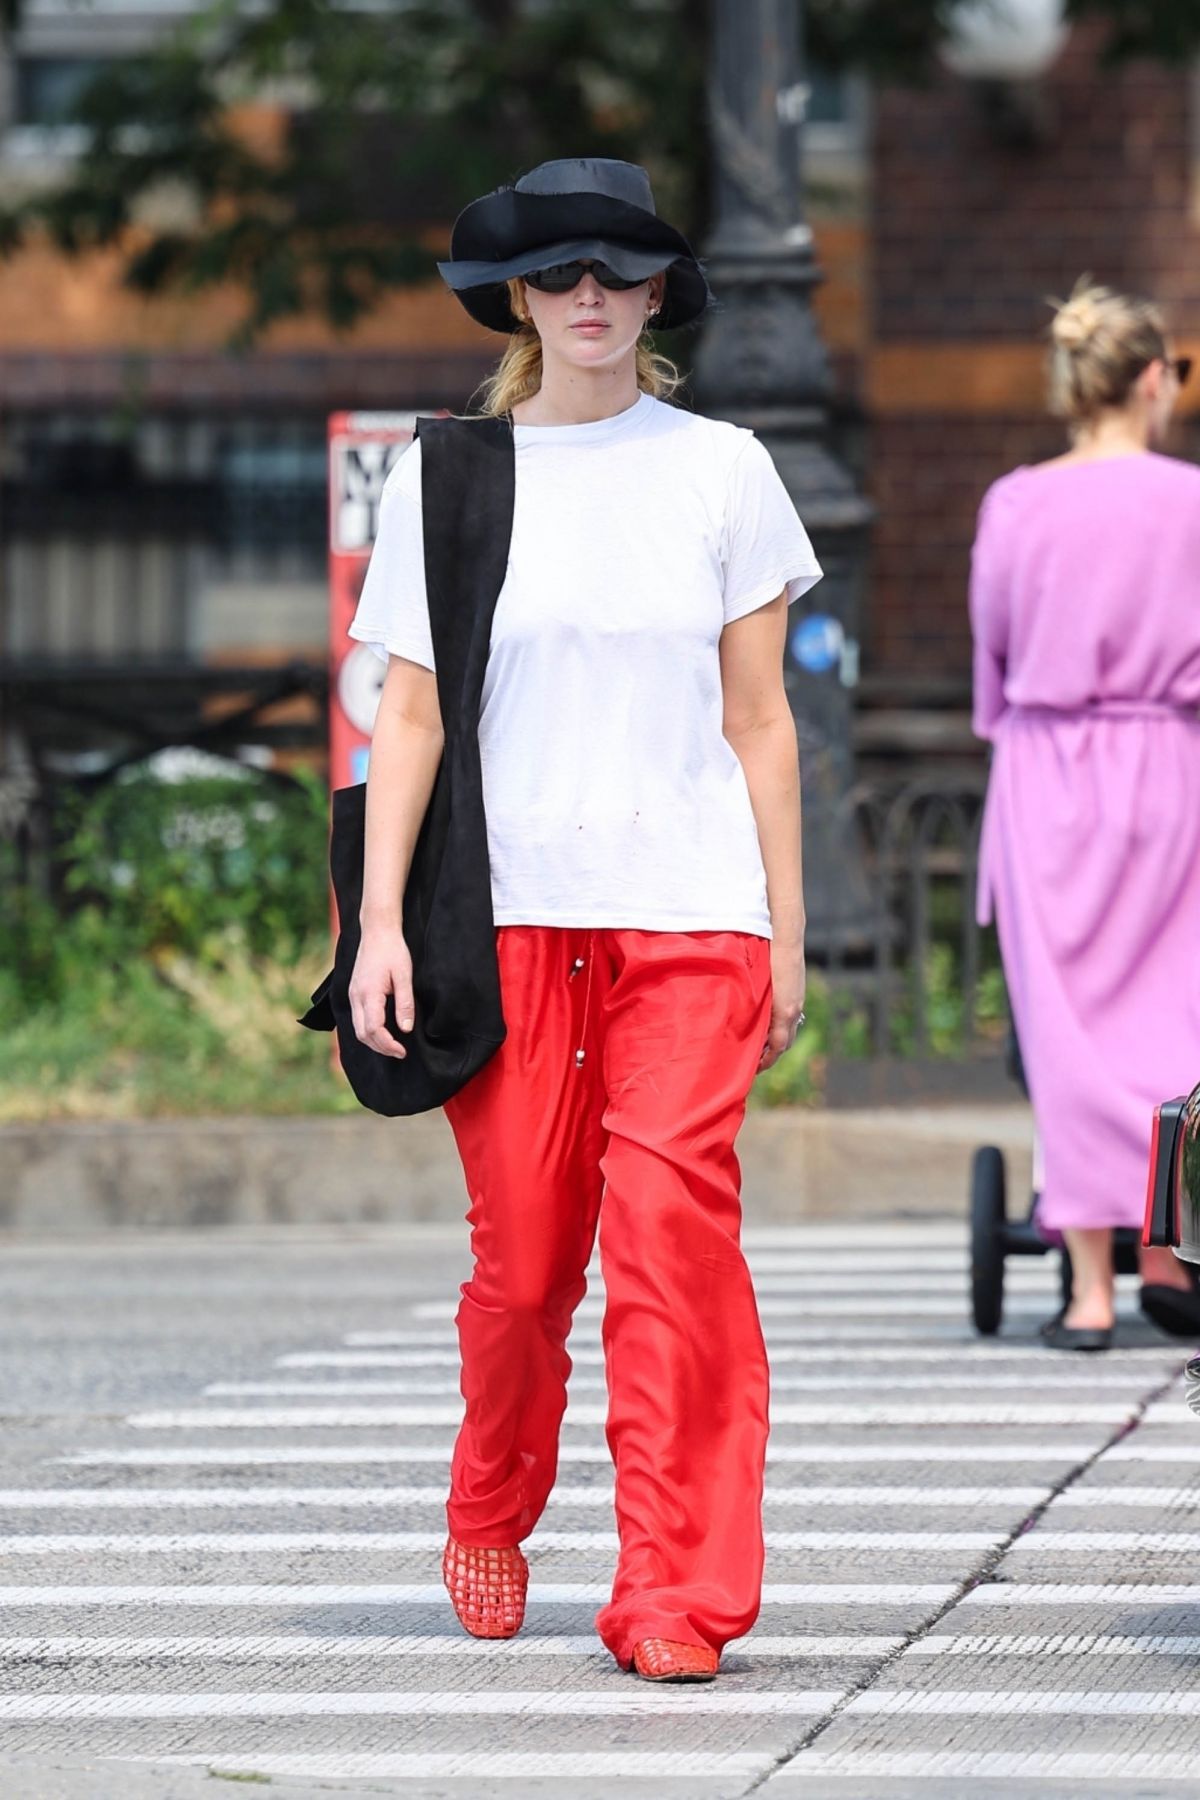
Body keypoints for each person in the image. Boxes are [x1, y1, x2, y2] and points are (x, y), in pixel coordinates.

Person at [344, 159, 821, 1678]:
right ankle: (491, 1498)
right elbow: (406, 720)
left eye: (619, 272)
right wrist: (378, 930)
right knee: (530, 1269)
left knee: (677, 1243)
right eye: (560, 276)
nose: (591, 297)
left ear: (660, 292)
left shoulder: (727, 469)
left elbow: (762, 724)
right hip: (512, 919)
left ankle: (678, 1595)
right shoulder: (454, 477)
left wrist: (786, 933)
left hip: (691, 918)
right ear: (519, 299)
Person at [970, 277, 1200, 1352]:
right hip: (1169, 769)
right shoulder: (1191, 502)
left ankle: (1091, 1292)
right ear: (1154, 379)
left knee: (1065, 1034)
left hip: (1049, 774)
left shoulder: (1018, 503)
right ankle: (1169, 1249)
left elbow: (996, 665)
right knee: (1174, 1023)